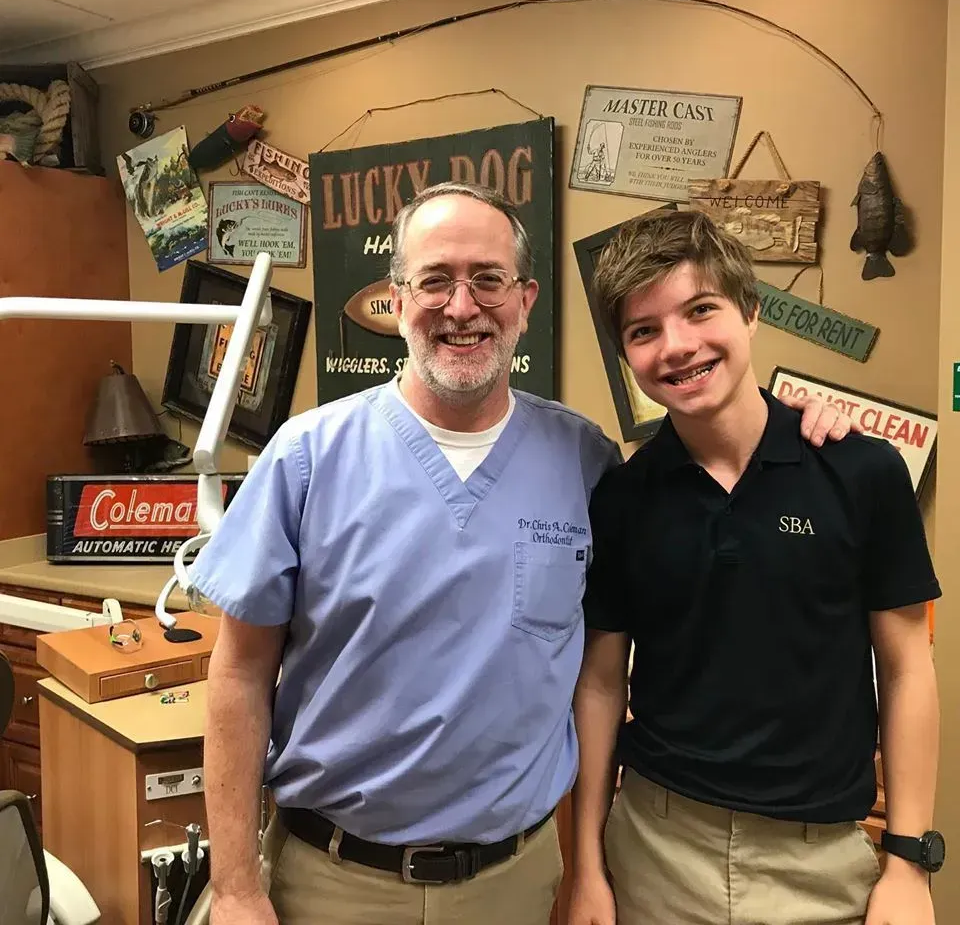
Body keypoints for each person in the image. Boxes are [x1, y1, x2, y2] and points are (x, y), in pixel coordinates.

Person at [188, 183, 851, 925]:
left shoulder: (586, 461)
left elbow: (612, 656)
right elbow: (239, 673)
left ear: (526, 300)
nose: (462, 307)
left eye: (488, 279)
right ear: (396, 299)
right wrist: (238, 886)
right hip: (334, 879)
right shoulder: (307, 459)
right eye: (435, 280)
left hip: (519, 881)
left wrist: (798, 427)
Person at [569, 208, 942, 925]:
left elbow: (906, 669)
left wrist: (906, 861)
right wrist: (587, 863)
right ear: (626, 354)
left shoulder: (861, 470)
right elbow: (601, 681)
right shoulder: (623, 493)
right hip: (655, 845)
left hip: (821, 861)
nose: (676, 347)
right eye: (644, 331)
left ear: (751, 312)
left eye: (700, 310)